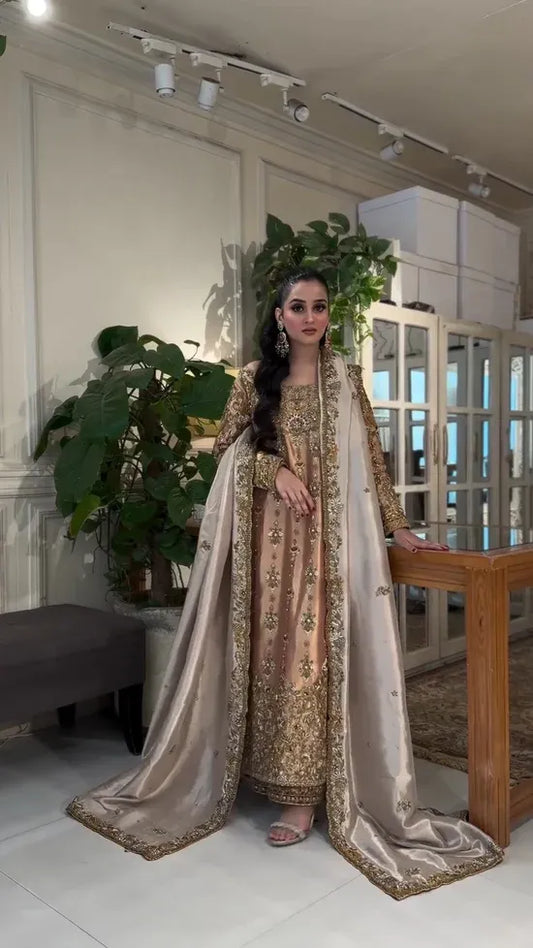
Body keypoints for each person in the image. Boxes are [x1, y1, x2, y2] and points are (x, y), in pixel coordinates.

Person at [68, 269, 502, 899]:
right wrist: (272, 470)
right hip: (267, 549)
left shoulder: (345, 379)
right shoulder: (252, 380)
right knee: (272, 659)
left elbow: (373, 460)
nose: (310, 317)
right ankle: (261, 773)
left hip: (332, 547)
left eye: (319, 307)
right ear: (279, 316)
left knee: (315, 659)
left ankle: (304, 797)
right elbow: (226, 452)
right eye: (298, 307)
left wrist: (398, 527)